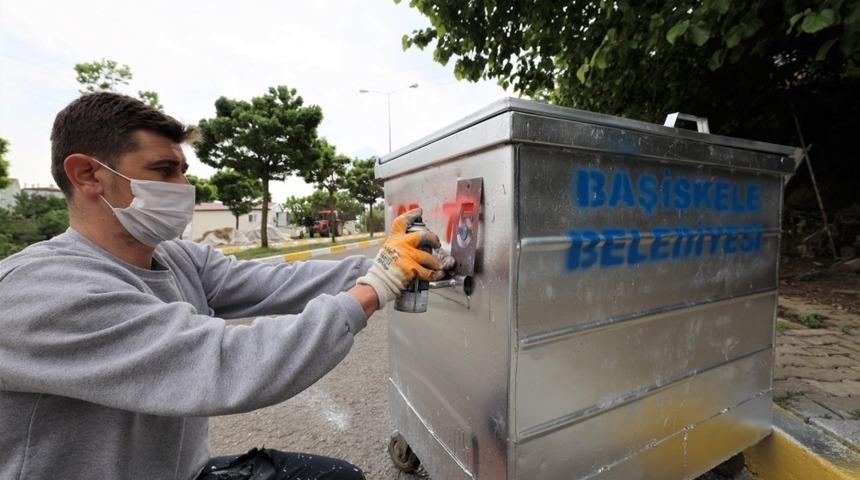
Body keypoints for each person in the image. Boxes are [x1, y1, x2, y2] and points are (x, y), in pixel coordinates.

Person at [0, 92, 451, 480]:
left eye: (183, 169)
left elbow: (277, 281)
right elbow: (224, 364)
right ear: (87, 175)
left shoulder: (174, 256)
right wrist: (375, 287)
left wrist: (390, 258)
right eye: (164, 170)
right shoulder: (42, 293)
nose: (185, 186)